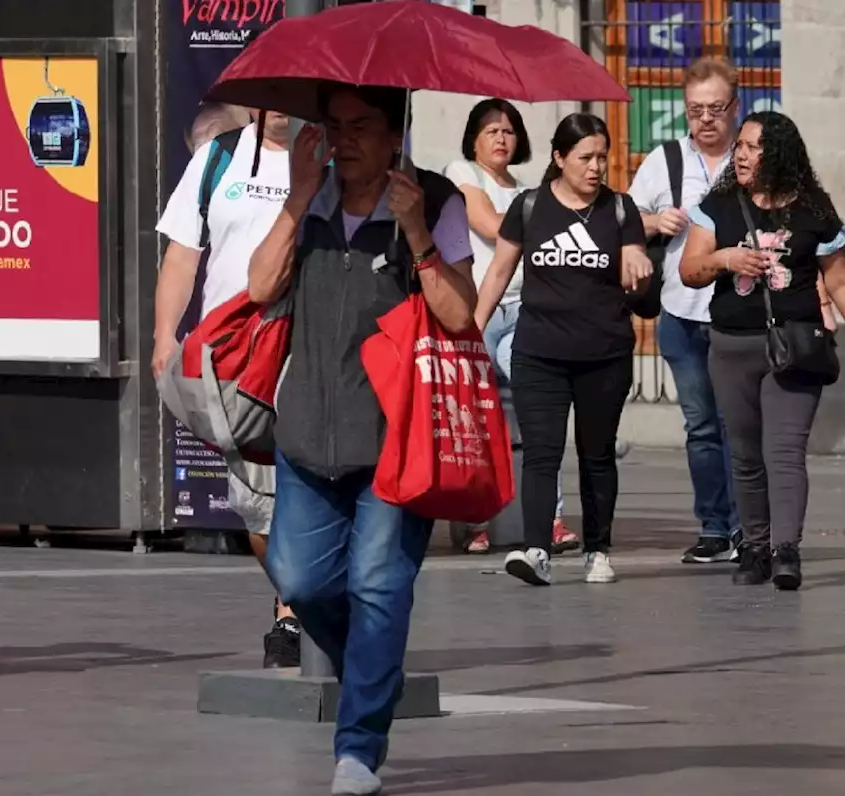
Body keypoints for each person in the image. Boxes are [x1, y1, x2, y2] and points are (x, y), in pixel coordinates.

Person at [248, 85, 473, 796]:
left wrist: (416, 233)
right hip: (308, 428)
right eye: (333, 127)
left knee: (378, 585)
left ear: (395, 131)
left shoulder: (436, 201)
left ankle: (358, 749)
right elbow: (259, 288)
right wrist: (296, 199)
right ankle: (375, 671)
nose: (343, 141)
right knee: (301, 578)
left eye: (359, 127)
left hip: (397, 438)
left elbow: (462, 313)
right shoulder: (309, 195)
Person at [679, 110, 845, 590]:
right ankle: (755, 548)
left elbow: (840, 280)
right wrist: (724, 258)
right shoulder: (721, 205)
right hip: (731, 347)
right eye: (742, 146)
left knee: (785, 451)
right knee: (747, 454)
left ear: (779, 154)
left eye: (754, 147)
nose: (743, 154)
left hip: (795, 346)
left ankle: (785, 549)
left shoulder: (813, 210)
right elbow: (690, 270)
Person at [475, 113, 652, 587]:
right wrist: (474, 329)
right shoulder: (530, 207)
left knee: (597, 456)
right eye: (585, 158)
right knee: (541, 453)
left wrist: (635, 257)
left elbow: (634, 257)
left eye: (602, 157)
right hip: (539, 352)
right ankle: (536, 550)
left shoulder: (620, 209)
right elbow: (499, 272)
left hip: (604, 355)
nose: (596, 167)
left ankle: (597, 549)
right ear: (559, 158)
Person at [153, 107, 302, 667]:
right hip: (234, 357)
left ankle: (293, 615)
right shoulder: (220, 157)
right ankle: (297, 597)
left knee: (313, 481)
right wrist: (165, 335)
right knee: (256, 505)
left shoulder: (332, 157)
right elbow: (183, 253)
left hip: (309, 348)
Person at [443, 98, 579, 556]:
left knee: (536, 409)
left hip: (524, 311)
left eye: (508, 131)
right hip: (478, 311)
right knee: (475, 418)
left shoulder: (526, 190)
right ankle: (476, 522)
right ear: (474, 140)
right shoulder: (461, 172)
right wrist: (548, 226)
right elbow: (489, 224)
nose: (502, 139)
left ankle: (551, 517)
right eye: (491, 131)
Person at [629, 57, 744, 564]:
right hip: (681, 313)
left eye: (716, 108)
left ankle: (748, 528)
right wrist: (655, 221)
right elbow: (624, 219)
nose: (705, 119)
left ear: (734, 107)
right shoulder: (666, 160)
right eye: (695, 109)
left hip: (737, 316)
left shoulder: (752, 158)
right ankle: (715, 527)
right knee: (700, 427)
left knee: (736, 424)